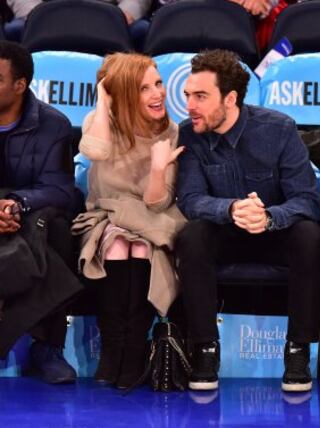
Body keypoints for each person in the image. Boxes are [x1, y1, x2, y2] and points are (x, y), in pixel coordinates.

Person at [175, 49, 320, 392]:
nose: (189, 105)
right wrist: (231, 210)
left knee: (309, 234)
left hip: (275, 234)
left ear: (230, 98)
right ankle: (205, 349)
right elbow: (191, 199)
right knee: (192, 235)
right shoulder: (190, 133)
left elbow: (307, 199)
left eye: (200, 96)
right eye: (186, 95)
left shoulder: (279, 128)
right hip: (224, 234)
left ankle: (298, 349)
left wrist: (269, 217)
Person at [71, 52, 186, 389]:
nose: (158, 94)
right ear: (122, 93)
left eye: (159, 83)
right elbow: (95, 151)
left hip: (154, 217)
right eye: (143, 88)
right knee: (119, 242)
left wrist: (156, 167)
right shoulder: (100, 120)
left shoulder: (172, 131)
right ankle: (113, 349)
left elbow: (159, 201)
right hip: (105, 215)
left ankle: (134, 350)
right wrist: (104, 99)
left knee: (137, 244)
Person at [0, 41, 83, 383]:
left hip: (28, 211)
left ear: (20, 86)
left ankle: (48, 347)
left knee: (59, 229)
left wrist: (14, 203)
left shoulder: (53, 124)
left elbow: (61, 189)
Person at [5, 0, 151, 50]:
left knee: (141, 29)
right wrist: (37, 14)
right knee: (14, 30)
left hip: (108, 17)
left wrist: (124, 14)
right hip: (46, 14)